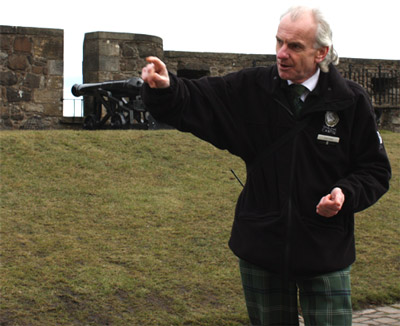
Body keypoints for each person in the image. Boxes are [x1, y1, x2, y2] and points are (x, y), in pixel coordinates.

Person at [140, 6, 391, 326]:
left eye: (295, 46)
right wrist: (165, 88)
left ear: (321, 52)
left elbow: (375, 170)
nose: (282, 54)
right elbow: (199, 98)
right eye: (279, 42)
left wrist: (346, 192)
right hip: (262, 248)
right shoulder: (252, 88)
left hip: (325, 249)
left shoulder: (351, 102)